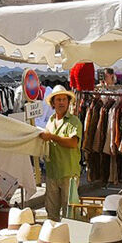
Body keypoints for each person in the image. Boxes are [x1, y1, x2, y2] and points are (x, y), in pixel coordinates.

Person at [38, 86, 83, 220]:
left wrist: (51, 137)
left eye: (64, 99)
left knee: (70, 213)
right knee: (51, 212)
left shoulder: (74, 121)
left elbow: (72, 143)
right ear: (53, 103)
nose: (62, 102)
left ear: (69, 102)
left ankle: (71, 239)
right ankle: (54, 239)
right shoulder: (50, 122)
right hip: (52, 173)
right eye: (58, 99)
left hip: (68, 173)